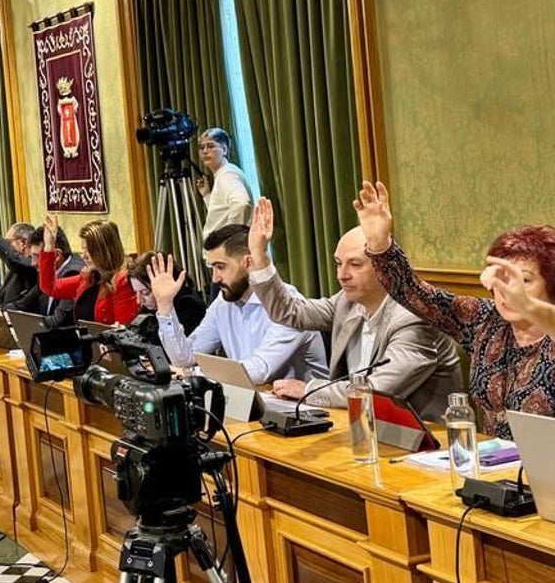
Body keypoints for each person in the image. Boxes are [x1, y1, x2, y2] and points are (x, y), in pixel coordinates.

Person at [355, 181, 555, 437]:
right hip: (494, 466)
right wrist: (379, 243)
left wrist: (527, 305)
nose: (508, 290)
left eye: (523, 280)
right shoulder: (486, 320)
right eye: (501, 278)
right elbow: (417, 294)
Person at [247, 197, 463, 418]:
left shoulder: (414, 316)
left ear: (383, 266)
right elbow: (290, 312)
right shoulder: (346, 303)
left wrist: (309, 390)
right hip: (359, 427)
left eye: (355, 264)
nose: (342, 275)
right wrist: (260, 256)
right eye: (339, 263)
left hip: (423, 442)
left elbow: (378, 392)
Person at [151, 224, 327, 383]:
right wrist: (165, 306)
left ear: (248, 263)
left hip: (310, 411)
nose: (214, 278)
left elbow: (259, 370)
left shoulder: (288, 305)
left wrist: (193, 373)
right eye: (212, 268)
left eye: (221, 267)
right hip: (254, 403)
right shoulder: (223, 304)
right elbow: (184, 358)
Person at [38, 214, 139, 325]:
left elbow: (124, 333)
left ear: (106, 250)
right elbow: (50, 287)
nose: (84, 256)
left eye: (89, 250)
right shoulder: (89, 277)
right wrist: (49, 246)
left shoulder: (123, 281)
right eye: (83, 250)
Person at [128, 251, 206, 335]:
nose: (139, 300)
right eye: (136, 293)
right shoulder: (149, 308)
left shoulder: (189, 306)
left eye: (145, 292)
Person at [196, 128, 254, 240]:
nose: (205, 151)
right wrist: (207, 195)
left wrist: (228, 238)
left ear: (224, 149)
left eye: (211, 146)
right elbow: (221, 215)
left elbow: (242, 204)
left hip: (229, 252)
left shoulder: (227, 174)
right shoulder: (223, 174)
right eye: (201, 147)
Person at [28, 223, 83, 325]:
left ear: (56, 255)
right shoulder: (45, 270)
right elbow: (26, 302)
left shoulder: (74, 273)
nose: (33, 263)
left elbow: (59, 321)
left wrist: (24, 324)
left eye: (36, 257)